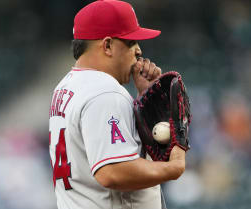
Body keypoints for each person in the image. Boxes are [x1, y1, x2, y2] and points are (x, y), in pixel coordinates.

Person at [48, 1, 186, 209]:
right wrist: (174, 168)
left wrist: (144, 97)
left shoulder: (65, 86)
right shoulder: (105, 91)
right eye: (131, 42)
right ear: (108, 45)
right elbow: (112, 171)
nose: (139, 50)